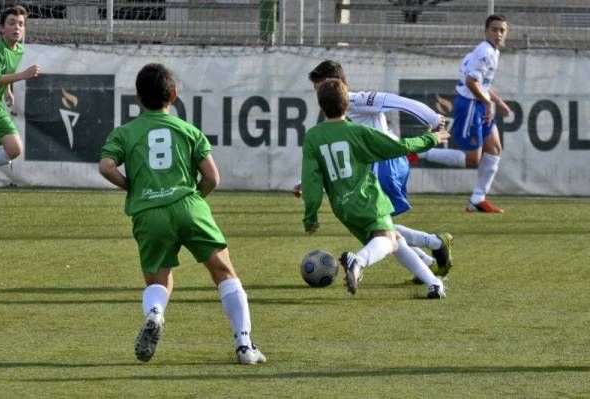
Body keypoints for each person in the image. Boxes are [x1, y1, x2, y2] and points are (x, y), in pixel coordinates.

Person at [99, 63, 265, 365]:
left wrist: (131, 188)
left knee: (157, 281)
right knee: (223, 271)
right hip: (189, 206)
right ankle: (244, 345)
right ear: (173, 95)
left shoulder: (125, 133)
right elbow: (213, 178)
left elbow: (106, 167)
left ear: (137, 97)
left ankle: (156, 313)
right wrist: (193, 201)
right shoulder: (189, 131)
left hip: (149, 211)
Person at [300, 60, 453, 284]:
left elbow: (395, 101)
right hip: (375, 165)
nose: (318, 93)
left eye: (320, 86)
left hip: (386, 164)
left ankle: (432, 252)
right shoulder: (335, 117)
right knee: (382, 229)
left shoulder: (356, 100)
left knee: (382, 231)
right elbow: (331, 155)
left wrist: (430, 117)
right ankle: (431, 258)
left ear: (336, 83)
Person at [416, 14, 511, 213]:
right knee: (472, 160)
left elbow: (483, 85)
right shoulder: (484, 51)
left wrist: (498, 103)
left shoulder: (493, 52)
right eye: (494, 29)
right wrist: (488, 103)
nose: (498, 34)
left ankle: (478, 199)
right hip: (469, 106)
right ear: (486, 31)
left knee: (494, 149)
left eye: (502, 30)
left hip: (479, 104)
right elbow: (471, 82)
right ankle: (420, 152)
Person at [0, 5, 40, 169]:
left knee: (14, 148)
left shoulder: (18, 50)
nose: (17, 27)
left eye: (20, 24)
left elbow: (3, 72)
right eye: (11, 23)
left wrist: (8, 90)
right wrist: (22, 75)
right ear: (2, 28)